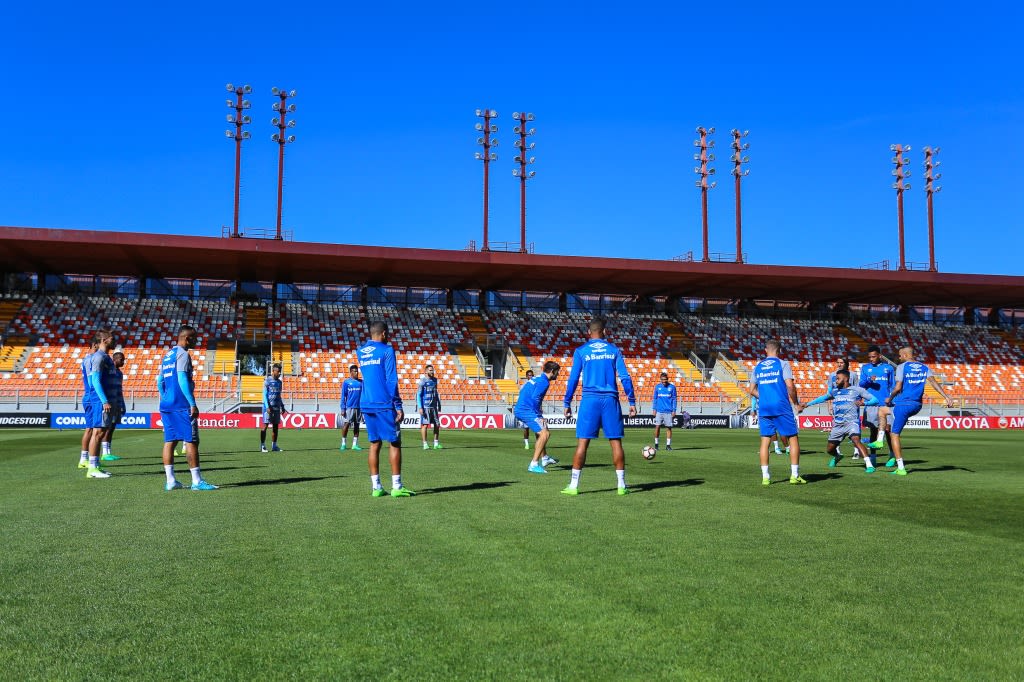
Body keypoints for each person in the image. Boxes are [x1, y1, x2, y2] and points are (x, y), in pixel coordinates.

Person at [561, 317, 637, 496]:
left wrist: (567, 402)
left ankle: (573, 486)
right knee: (615, 442)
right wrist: (632, 401)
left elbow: (573, 379)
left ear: (589, 332)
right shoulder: (613, 350)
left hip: (589, 399)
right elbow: (625, 377)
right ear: (605, 331)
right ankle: (621, 485)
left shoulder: (581, 351)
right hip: (610, 399)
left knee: (583, 443)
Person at [866, 346, 952, 475]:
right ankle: (879, 440)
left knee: (894, 434)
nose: (899, 358)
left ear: (905, 355)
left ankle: (900, 467)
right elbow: (934, 383)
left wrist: (890, 397)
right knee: (882, 411)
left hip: (903, 404)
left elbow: (898, 387)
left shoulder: (902, 367)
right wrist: (946, 397)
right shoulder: (924, 367)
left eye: (900, 356)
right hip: (916, 405)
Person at [157, 325, 216, 491]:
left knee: (170, 441)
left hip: (167, 404)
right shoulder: (183, 354)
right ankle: (197, 482)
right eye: (195, 338)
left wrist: (166, 395)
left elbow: (159, 381)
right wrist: (192, 403)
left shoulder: (168, 355)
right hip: (181, 405)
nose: (196, 341)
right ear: (187, 338)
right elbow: (182, 379)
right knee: (191, 441)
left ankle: (170, 481)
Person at [359, 321, 414, 497]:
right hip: (384, 403)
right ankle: (397, 486)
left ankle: (376, 488)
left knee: (374, 443)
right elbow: (391, 380)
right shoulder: (387, 350)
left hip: (366, 402)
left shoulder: (360, 352)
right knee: (395, 442)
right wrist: (398, 405)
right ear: (383, 334)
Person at [799, 368, 879, 472]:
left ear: (846, 379)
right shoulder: (835, 391)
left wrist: (865, 403)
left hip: (852, 422)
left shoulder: (857, 390)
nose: (835, 381)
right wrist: (807, 404)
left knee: (856, 440)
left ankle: (869, 465)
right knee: (829, 449)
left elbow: (875, 400)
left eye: (837, 378)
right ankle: (837, 456)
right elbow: (822, 398)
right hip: (838, 424)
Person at [749, 339, 804, 485]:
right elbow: (790, 386)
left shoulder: (758, 366)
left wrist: (766, 397)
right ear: (779, 350)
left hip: (765, 408)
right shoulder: (783, 364)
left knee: (765, 441)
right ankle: (794, 475)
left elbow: (751, 390)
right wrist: (796, 404)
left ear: (766, 350)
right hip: (781, 406)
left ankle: (765, 478)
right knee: (793, 439)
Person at [83, 330, 118, 479]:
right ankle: (92, 468)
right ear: (104, 340)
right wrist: (104, 400)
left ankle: (95, 465)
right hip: (99, 401)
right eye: (111, 338)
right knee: (97, 432)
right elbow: (94, 381)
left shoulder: (106, 357)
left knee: (101, 432)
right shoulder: (98, 357)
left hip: (105, 400)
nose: (114, 340)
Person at [515, 361, 561, 473]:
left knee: (542, 430)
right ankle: (534, 464)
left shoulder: (538, 378)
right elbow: (535, 398)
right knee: (545, 434)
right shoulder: (544, 382)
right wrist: (539, 415)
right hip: (526, 410)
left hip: (524, 408)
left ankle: (544, 458)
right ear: (552, 371)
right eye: (557, 372)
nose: (558, 375)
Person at [859, 345, 896, 462]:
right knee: (873, 431)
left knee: (888, 430)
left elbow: (893, 385)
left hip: (885, 404)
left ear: (880, 356)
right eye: (869, 357)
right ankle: (873, 457)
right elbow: (861, 385)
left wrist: (892, 399)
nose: (871, 359)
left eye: (873, 357)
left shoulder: (888, 368)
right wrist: (870, 380)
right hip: (871, 404)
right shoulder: (865, 368)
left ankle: (892, 455)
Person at [825, 357, 858, 459]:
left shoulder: (853, 375)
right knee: (837, 426)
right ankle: (837, 449)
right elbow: (829, 392)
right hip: (838, 405)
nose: (839, 364)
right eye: (838, 362)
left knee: (854, 427)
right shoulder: (832, 375)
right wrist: (829, 405)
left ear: (846, 364)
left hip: (851, 405)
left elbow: (857, 389)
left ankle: (856, 450)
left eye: (841, 362)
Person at [99, 350, 127, 462]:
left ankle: (108, 452)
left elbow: (120, 389)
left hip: (117, 402)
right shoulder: (108, 371)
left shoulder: (120, 373)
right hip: (108, 403)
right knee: (106, 427)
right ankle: (104, 453)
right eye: (122, 359)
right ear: (115, 359)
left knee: (112, 427)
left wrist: (122, 404)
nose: (123, 362)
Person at [76, 338, 99, 470]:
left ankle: (86, 459)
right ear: (95, 344)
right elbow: (91, 381)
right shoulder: (90, 359)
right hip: (91, 397)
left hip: (88, 396)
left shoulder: (86, 359)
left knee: (91, 429)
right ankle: (85, 460)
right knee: (91, 429)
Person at [260, 363, 286, 452]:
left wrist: (282, 406)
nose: (279, 373)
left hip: (276, 407)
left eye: (280, 372)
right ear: (273, 371)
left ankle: (274, 446)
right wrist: (267, 406)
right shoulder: (267, 381)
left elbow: (279, 395)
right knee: (265, 426)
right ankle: (262, 446)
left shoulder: (279, 382)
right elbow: (264, 395)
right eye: (278, 371)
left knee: (275, 427)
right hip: (268, 407)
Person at [338, 364, 363, 451]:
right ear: (351, 372)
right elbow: (343, 396)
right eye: (355, 371)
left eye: (357, 371)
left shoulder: (361, 382)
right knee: (346, 424)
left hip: (359, 407)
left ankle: (354, 445)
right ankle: (343, 443)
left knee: (357, 425)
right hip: (349, 407)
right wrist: (343, 408)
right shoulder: (347, 382)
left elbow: (364, 395)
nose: (356, 373)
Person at [417, 363, 442, 450]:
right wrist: (420, 407)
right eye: (431, 370)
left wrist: (439, 403)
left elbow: (436, 392)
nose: (432, 371)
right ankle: (425, 444)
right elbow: (418, 394)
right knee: (425, 425)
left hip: (434, 406)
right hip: (426, 406)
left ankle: (436, 443)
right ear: (426, 371)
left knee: (437, 424)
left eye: (433, 370)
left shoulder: (435, 380)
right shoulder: (422, 381)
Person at [651, 371, 677, 450]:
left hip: (668, 411)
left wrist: (674, 410)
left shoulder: (672, 387)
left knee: (668, 428)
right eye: (662, 379)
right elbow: (655, 398)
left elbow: (674, 399)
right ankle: (656, 444)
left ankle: (668, 446)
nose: (664, 381)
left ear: (667, 379)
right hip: (659, 411)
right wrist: (654, 409)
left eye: (665, 379)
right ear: (660, 379)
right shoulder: (657, 387)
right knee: (657, 427)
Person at [520, 369, 536, 449]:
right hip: (526, 409)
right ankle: (526, 443)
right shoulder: (523, 386)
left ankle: (538, 444)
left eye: (532, 375)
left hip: (534, 408)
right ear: (526, 376)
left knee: (538, 427)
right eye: (529, 375)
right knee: (526, 428)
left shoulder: (536, 385)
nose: (531, 376)